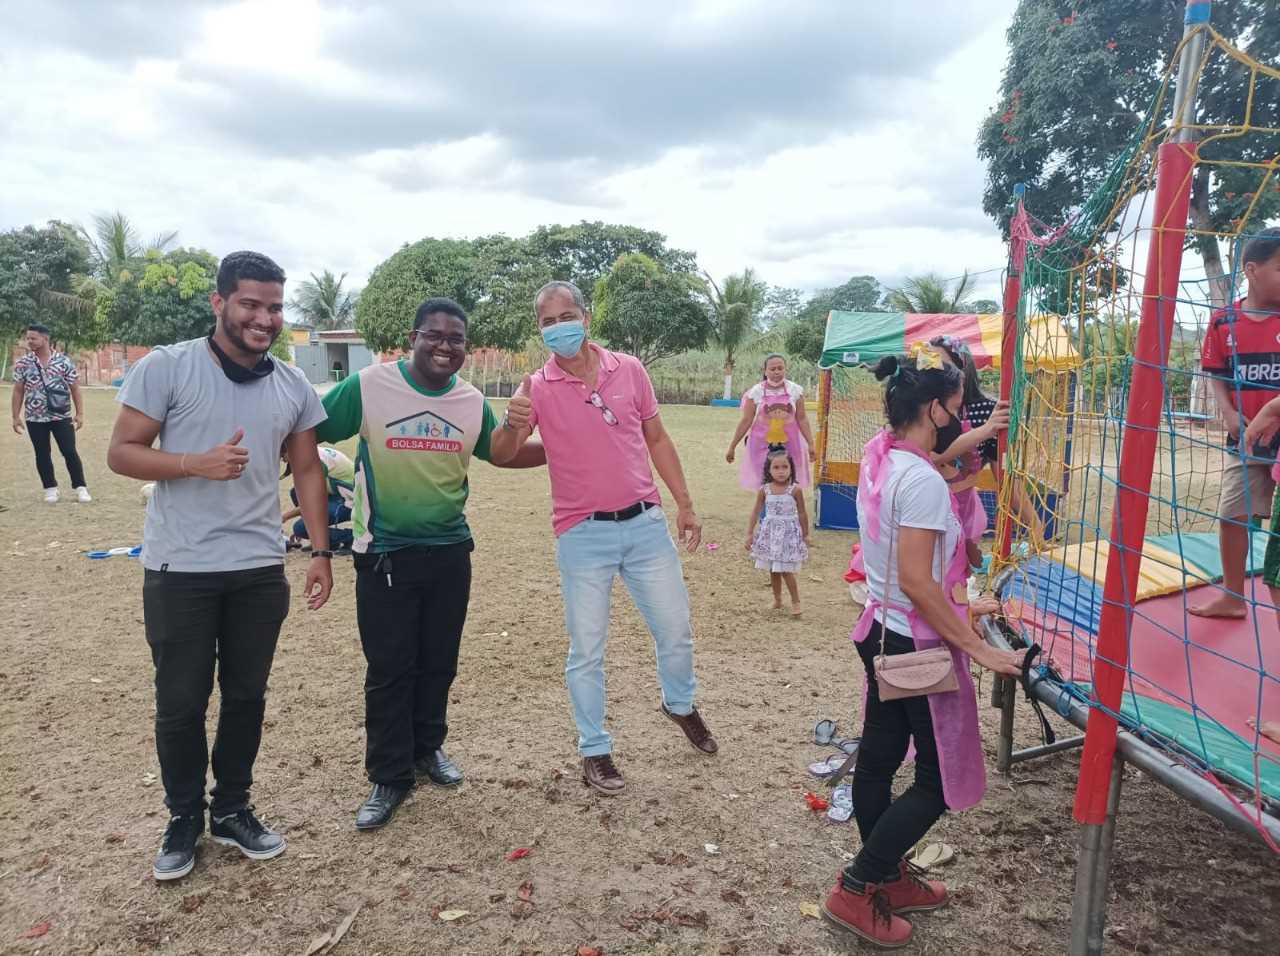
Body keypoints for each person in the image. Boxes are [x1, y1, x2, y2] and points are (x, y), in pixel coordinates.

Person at [107, 251, 334, 882]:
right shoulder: (168, 368)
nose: (264, 319)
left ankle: (232, 808)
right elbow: (121, 452)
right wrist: (190, 463)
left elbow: (309, 469)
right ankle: (183, 818)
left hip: (259, 567)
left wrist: (319, 552)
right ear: (219, 303)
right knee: (180, 701)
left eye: (275, 307)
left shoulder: (291, 384)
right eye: (251, 304)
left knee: (246, 696)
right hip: (180, 570)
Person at [316, 297, 545, 830]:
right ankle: (389, 774)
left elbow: (502, 452)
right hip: (384, 554)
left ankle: (427, 749)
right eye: (434, 335)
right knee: (391, 668)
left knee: (439, 662)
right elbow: (311, 431)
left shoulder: (469, 402)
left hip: (449, 551)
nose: (445, 346)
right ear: (413, 337)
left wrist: (558, 442)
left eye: (456, 339)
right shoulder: (370, 386)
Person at [821, 348, 1022, 948]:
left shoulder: (879, 456)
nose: (961, 420)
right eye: (957, 410)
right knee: (937, 780)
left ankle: (886, 871)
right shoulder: (923, 484)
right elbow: (918, 580)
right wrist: (976, 646)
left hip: (879, 629)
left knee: (881, 759)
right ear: (934, 411)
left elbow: (909, 575)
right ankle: (856, 888)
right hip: (915, 639)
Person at [497, 280, 717, 796]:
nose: (559, 327)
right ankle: (594, 749)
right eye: (548, 322)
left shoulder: (630, 369)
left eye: (566, 316)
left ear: (587, 316)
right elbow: (504, 453)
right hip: (582, 534)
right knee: (587, 648)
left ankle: (679, 704)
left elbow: (656, 437)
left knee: (676, 630)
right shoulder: (536, 387)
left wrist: (684, 503)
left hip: (645, 526)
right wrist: (511, 424)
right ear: (540, 329)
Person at [1195, 227, 1280, 619]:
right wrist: (1228, 413)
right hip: (1247, 438)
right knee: (1233, 515)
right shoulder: (1224, 322)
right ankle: (1232, 596)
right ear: (1251, 269)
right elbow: (1215, 371)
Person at [10, 323, 91, 503]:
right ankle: (50, 488)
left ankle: (80, 487)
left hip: (61, 416)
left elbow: (75, 388)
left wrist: (80, 414)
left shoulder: (63, 361)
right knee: (42, 453)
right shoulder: (23, 363)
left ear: (45, 339)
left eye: (33, 338)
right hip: (35, 417)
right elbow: (18, 390)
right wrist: (15, 416)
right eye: (28, 338)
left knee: (69, 451)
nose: (29, 341)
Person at [725, 353, 816, 489]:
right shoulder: (756, 392)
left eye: (780, 368)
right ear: (765, 371)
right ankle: (765, 509)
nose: (776, 372)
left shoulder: (795, 391)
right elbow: (746, 421)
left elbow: (802, 419)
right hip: (761, 445)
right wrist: (732, 446)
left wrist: (811, 444)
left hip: (791, 444)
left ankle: (789, 508)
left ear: (786, 369)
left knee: (789, 481)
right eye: (772, 369)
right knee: (765, 482)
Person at [745, 448, 810, 616]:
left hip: (787, 536)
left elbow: (802, 512)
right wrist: (749, 533)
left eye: (784, 467)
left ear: (791, 468)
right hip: (771, 535)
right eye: (776, 467)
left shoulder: (795, 490)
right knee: (773, 569)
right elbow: (756, 511)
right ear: (768, 469)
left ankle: (796, 602)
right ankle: (777, 599)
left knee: (786, 570)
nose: (781, 471)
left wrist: (806, 533)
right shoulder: (764, 490)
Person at [281, 444, 356, 552]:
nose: (283, 460)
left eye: (282, 455)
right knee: (296, 492)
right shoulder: (310, 452)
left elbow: (312, 502)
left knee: (301, 528)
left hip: (350, 500)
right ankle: (323, 541)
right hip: (339, 493)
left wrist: (284, 517)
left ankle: (350, 537)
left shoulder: (314, 462)